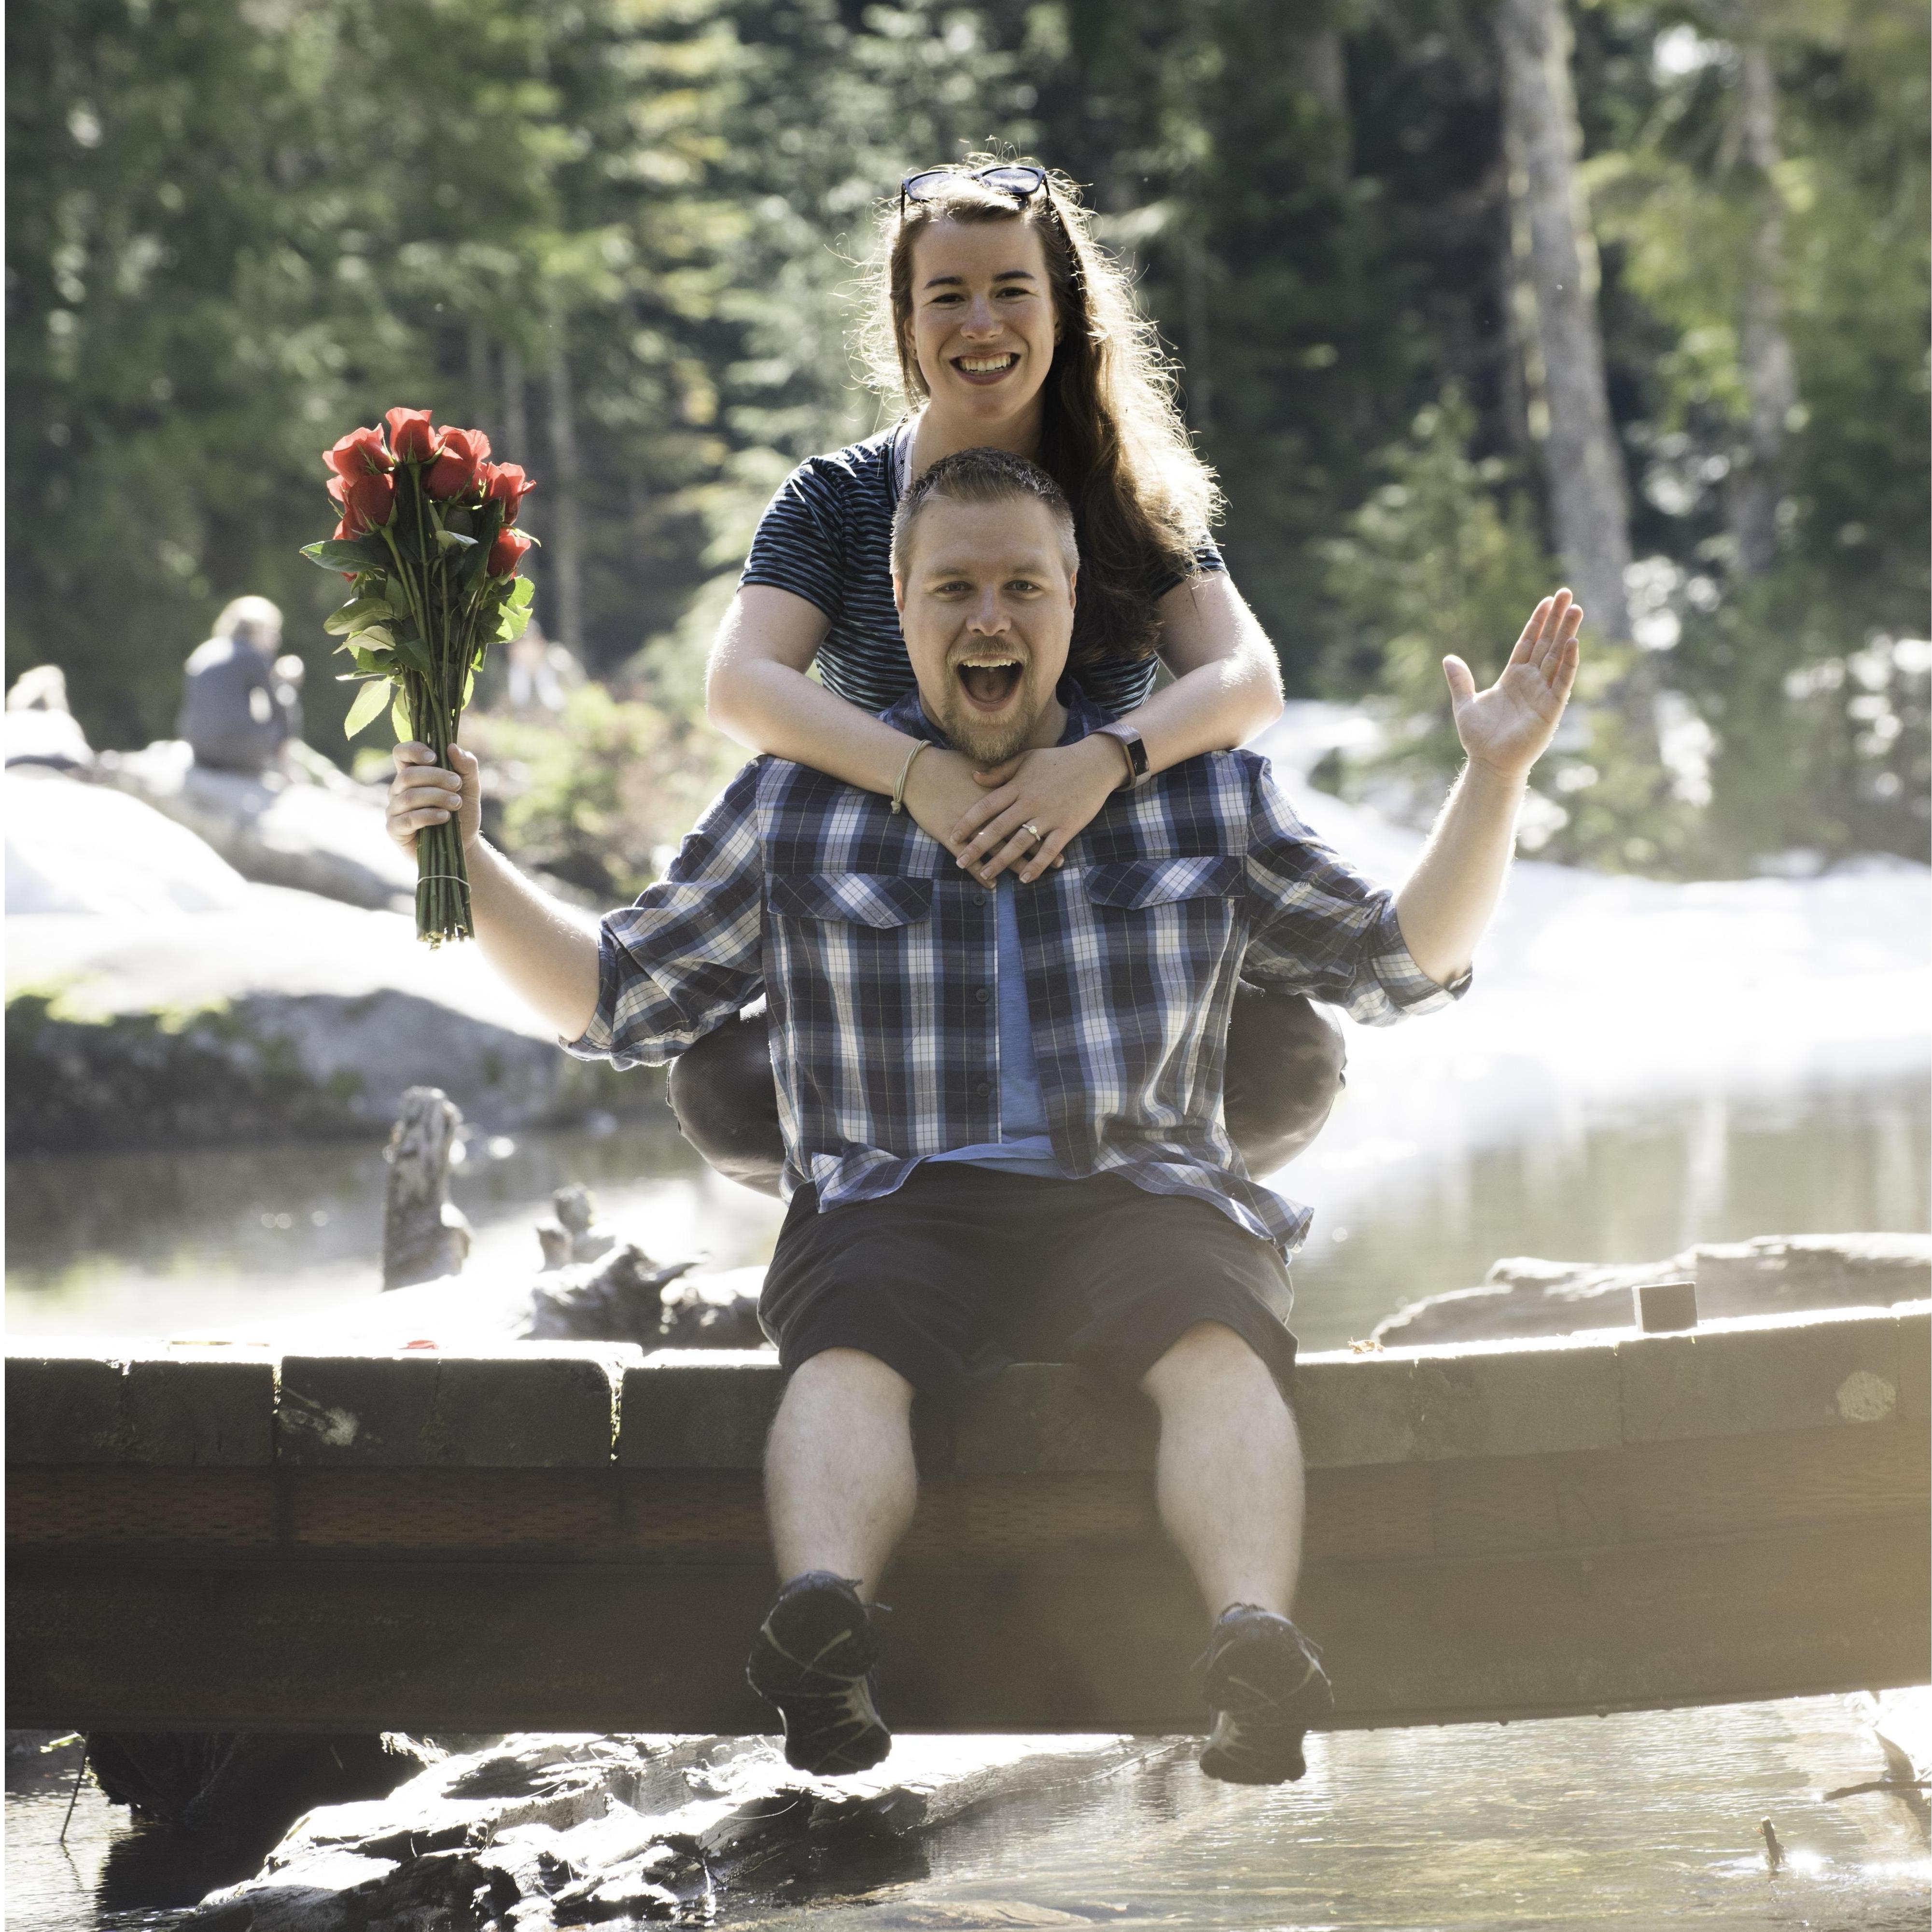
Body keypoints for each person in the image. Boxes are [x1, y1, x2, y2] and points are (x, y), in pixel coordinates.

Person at [385, 447, 1584, 1785]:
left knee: (1214, 1342)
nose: (991, 617)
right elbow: (618, 999)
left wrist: (1494, 779)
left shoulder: (1201, 791)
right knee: (848, 1349)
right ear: (896, 604)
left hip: (1143, 1191)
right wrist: (467, 858)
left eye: (1024, 583)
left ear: (1078, 601)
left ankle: (1253, 1649)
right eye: (953, 587)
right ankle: (825, 1638)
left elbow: (1398, 961)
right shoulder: (800, 801)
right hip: (896, 1195)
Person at [676, 159, 1345, 1195]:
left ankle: (1161, 1218)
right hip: (901, 939)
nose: (979, 323)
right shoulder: (835, 500)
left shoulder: (1130, 499)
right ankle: (876, 1230)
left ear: (1066, 311)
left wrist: (1101, 765)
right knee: (719, 1082)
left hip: (1100, 938)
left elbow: (1247, 681)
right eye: (947, 296)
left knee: (1294, 1058)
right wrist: (918, 778)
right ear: (905, 324)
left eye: (1010, 291)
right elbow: (742, 683)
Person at [177, 595, 305, 775]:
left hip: (199, 748)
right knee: (287, 696)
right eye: (273, 632)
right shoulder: (253, 656)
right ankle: (287, 771)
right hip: (234, 752)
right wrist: (284, 680)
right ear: (257, 629)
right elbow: (278, 707)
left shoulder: (206, 650)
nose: (277, 641)